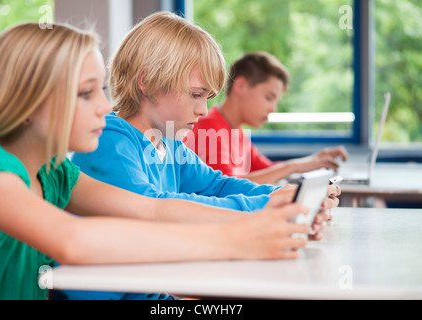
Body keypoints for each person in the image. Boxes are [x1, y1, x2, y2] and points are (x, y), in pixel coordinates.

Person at [0, 22, 315, 300]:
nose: (105, 107)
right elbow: (73, 240)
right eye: (86, 93)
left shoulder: (55, 173)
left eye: (101, 90)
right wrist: (235, 240)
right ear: (30, 101)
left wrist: (267, 205)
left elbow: (149, 210)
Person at [70, 12, 340, 300]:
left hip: (153, 290)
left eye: (208, 98)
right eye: (196, 94)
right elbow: (152, 209)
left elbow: (216, 185)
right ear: (147, 82)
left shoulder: (168, 143)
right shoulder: (110, 141)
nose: (203, 109)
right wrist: (264, 205)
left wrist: (284, 198)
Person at [184, 51, 349, 184]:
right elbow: (226, 186)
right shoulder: (210, 127)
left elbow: (268, 171)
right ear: (241, 86)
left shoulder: (235, 131)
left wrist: (312, 160)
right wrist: (294, 166)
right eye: (269, 98)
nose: (273, 109)